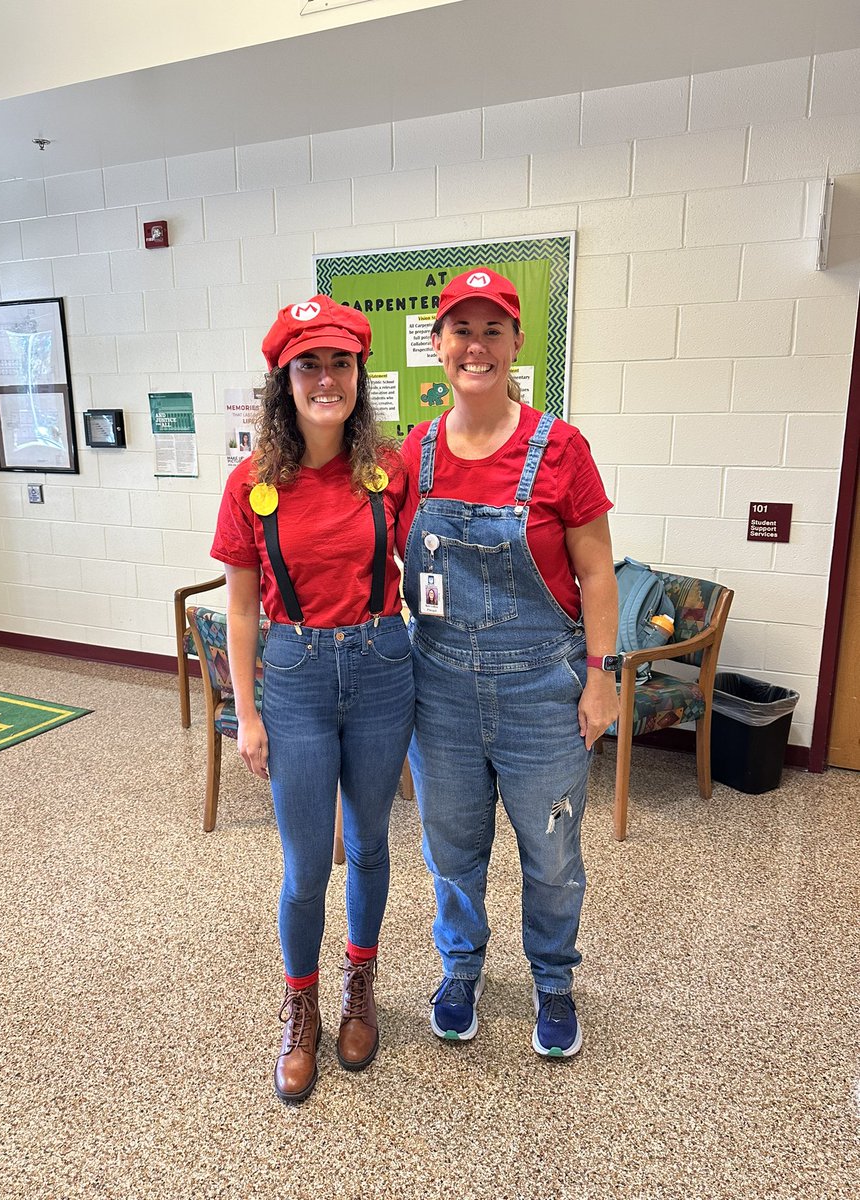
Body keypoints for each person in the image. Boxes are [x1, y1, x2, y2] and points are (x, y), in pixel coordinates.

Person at [396, 268, 619, 1058]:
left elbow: (597, 570)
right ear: (438, 346)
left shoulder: (560, 449)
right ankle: (461, 968)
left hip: (542, 692)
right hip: (439, 691)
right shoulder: (411, 454)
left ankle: (553, 981)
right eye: (462, 329)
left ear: (518, 343)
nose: (477, 345)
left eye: (494, 330)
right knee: (452, 849)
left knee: (552, 855)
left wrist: (603, 673)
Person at [211, 296, 414, 1103]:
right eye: (308, 365)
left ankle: (358, 984)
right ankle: (301, 1004)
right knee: (304, 867)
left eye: (340, 362)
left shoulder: (390, 470)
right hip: (292, 674)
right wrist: (248, 715)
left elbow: (432, 567)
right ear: (284, 381)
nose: (325, 378)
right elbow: (239, 604)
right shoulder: (251, 483)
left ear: (360, 375)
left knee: (367, 842)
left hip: (381, 665)